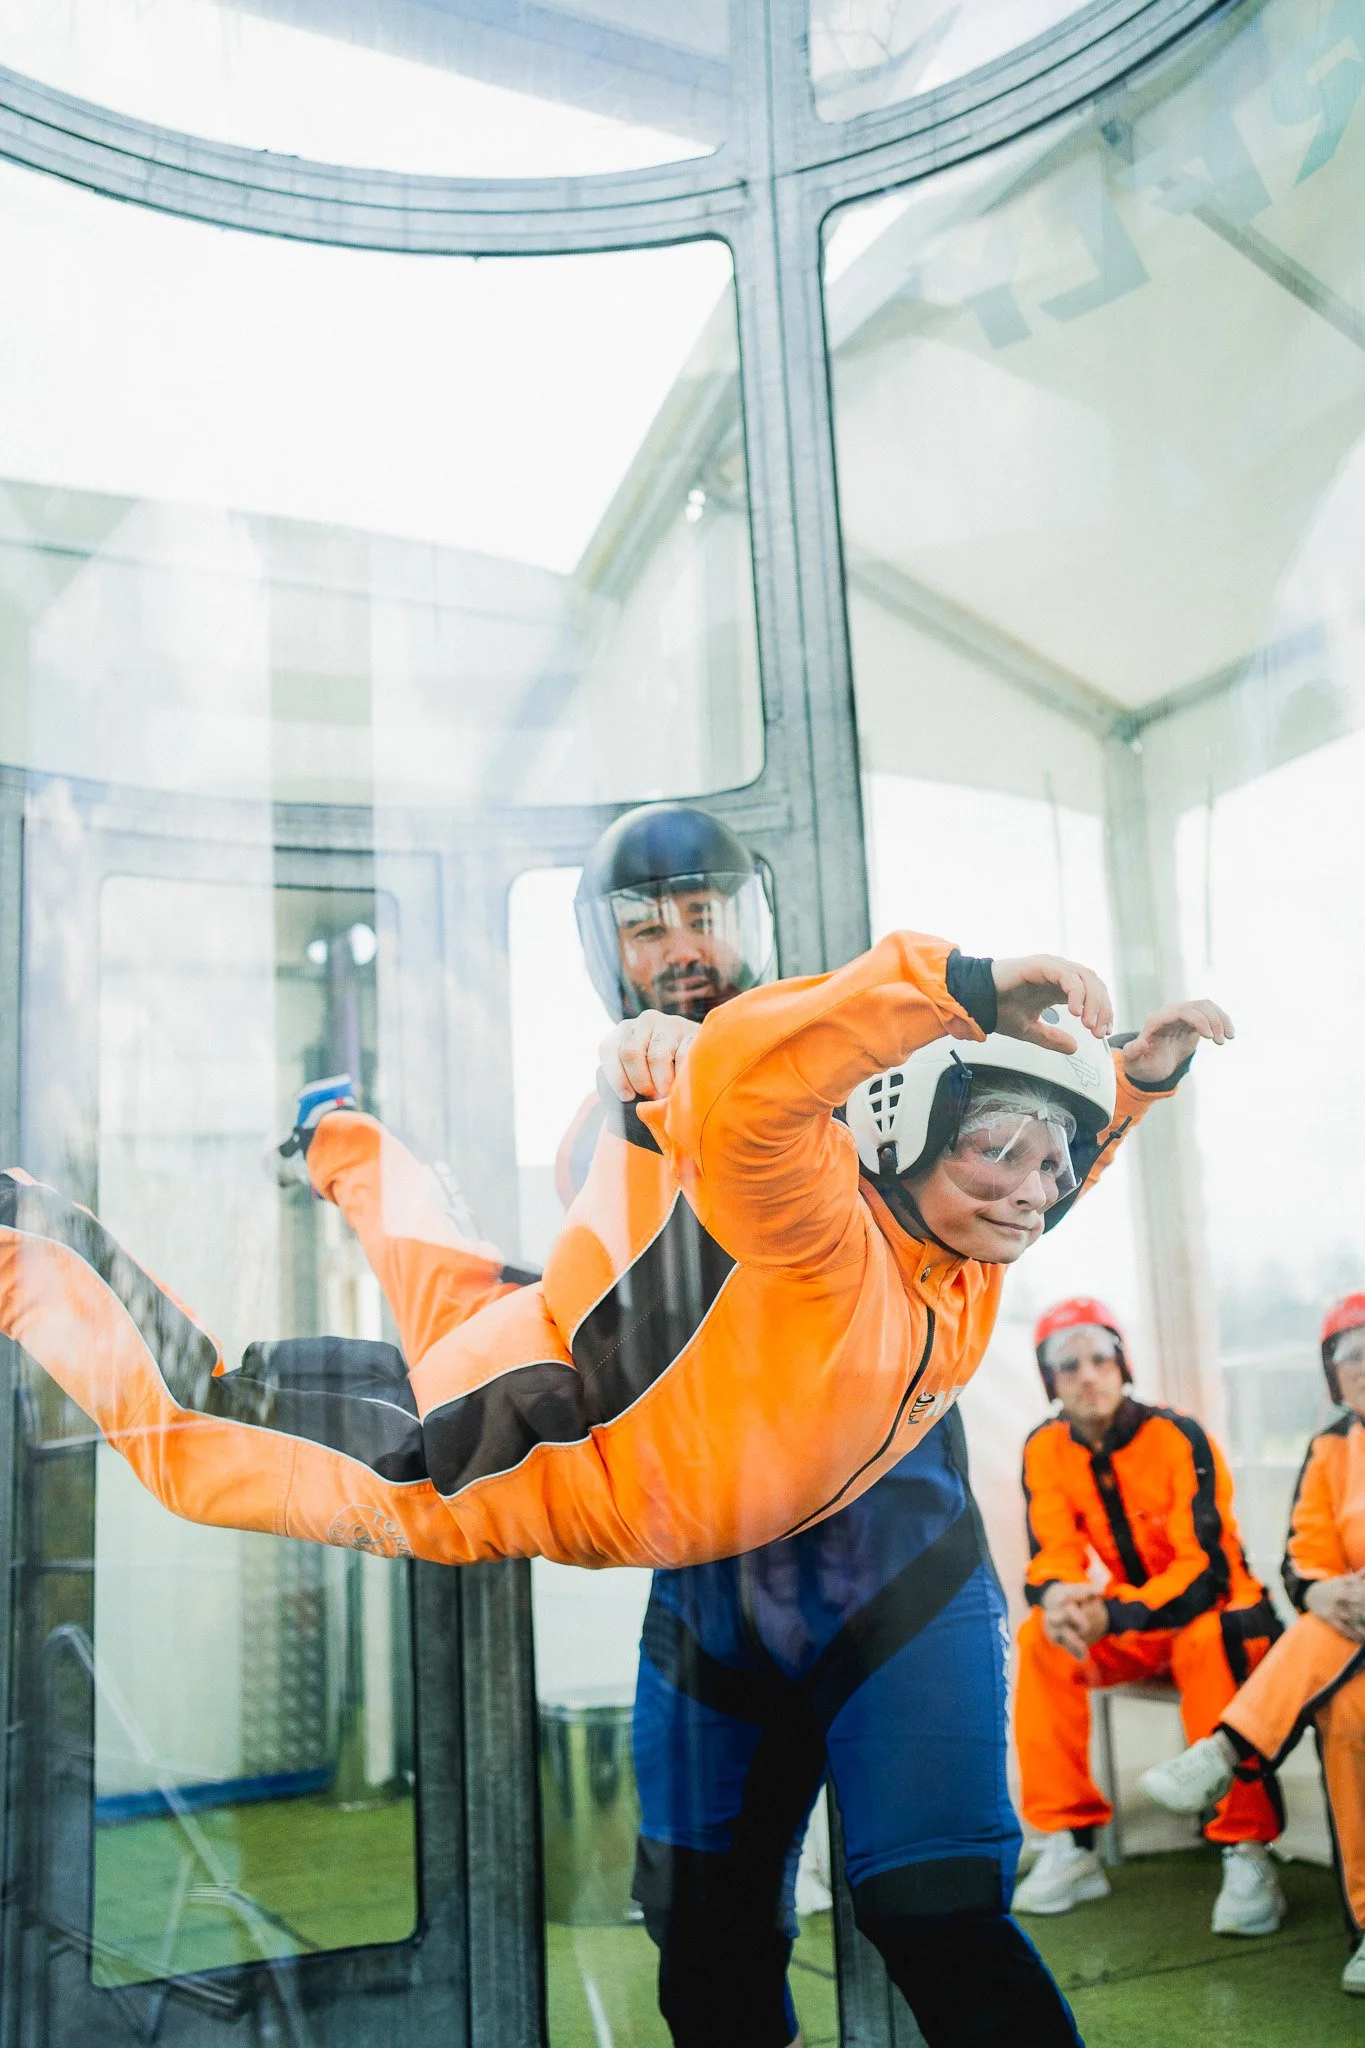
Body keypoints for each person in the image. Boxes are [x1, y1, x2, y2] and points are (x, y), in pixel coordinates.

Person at [0, 908, 1225, 1586]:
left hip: (597, 1346)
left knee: (452, 1280)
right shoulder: (820, 1225)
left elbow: (1053, 1147)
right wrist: (952, 982)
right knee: (198, 1435)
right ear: (906, 1127)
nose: (1030, 1191)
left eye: (1052, 1168)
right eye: (997, 1152)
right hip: (527, 1444)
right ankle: (17, 1244)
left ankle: (338, 1131)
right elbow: (749, 1076)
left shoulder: (965, 1262)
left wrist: (1130, 1084)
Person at [566, 805, 1071, 2048]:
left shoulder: (847, 1051)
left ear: (754, 922)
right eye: (647, 927)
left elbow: (1003, 1166)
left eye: (704, 914)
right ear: (606, 949)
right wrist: (613, 1090)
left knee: (938, 1915)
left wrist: (1126, 1077)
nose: (681, 945)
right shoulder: (607, 1102)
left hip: (893, 1567)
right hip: (709, 1588)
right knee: (701, 1946)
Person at [1011, 1298, 1285, 1936]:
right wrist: (1060, 1598)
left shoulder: (1178, 1436)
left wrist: (1112, 1611)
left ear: (1123, 1364)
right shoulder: (1046, 1447)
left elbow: (1206, 1571)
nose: (1086, 1374)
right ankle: (1071, 1845)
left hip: (1225, 1615)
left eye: (1100, 1358)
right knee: (1043, 1640)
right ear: (1049, 1380)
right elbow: (1051, 1550)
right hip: (1136, 1625)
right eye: (1067, 1364)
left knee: (1207, 1641)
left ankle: (1246, 1850)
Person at [1141, 1291, 1365, 1996]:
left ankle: (1224, 1750)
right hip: (1353, 1640)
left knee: (1313, 1639)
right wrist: (1323, 1592)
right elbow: (1304, 1558)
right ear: (1332, 1374)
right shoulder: (1331, 1446)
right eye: (1348, 1355)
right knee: (1346, 1712)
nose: (1362, 1366)